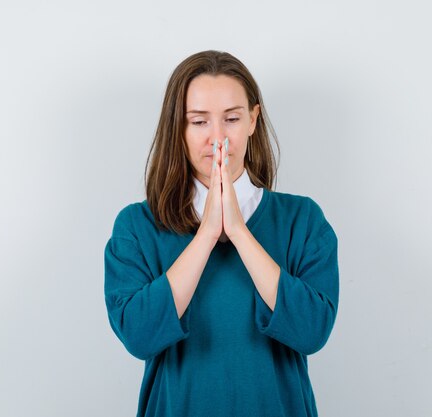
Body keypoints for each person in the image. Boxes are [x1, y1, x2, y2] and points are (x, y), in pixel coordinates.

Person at [103, 50, 339, 417]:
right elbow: (138, 335)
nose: (218, 138)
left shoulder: (302, 220)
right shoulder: (136, 227)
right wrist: (206, 236)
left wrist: (241, 234)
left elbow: (312, 332)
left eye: (231, 118)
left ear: (253, 120)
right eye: (199, 122)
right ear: (177, 128)